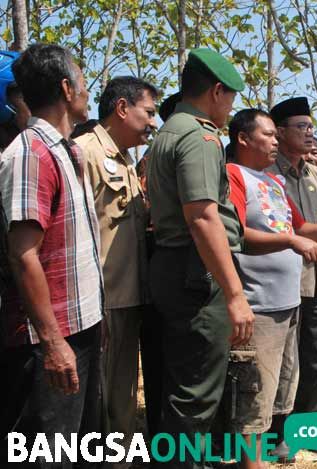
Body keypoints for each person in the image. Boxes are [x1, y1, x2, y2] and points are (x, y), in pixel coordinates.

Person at [225, 108, 317, 467]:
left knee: (281, 387)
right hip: (259, 303)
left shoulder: (273, 182)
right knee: (255, 392)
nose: (275, 141)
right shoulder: (234, 176)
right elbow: (235, 235)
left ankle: (269, 453)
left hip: (288, 302)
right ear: (243, 139)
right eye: (268, 134)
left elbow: (301, 227)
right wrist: (291, 242)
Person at [146, 48, 254, 467]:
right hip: (197, 273)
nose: (230, 108)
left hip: (177, 266)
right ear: (216, 91)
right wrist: (233, 293)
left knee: (182, 385)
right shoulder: (200, 138)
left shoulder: (169, 131)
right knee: (195, 397)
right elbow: (204, 217)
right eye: (230, 98)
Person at [0, 43, 102, 464]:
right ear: (65, 87)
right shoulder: (30, 155)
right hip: (50, 340)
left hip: (81, 327)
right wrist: (54, 344)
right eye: (81, 79)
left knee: (76, 446)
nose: (86, 89)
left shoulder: (69, 151)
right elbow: (24, 256)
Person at [72, 76, 157, 463]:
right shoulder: (84, 152)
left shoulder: (125, 159)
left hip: (130, 295)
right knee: (100, 400)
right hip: (102, 300)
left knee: (122, 395)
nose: (153, 123)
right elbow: (74, 234)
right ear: (122, 108)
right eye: (149, 112)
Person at [267, 98, 317, 423]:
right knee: (283, 359)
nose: (309, 133)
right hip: (280, 283)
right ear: (280, 132)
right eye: (301, 127)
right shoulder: (266, 175)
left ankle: (311, 424)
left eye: (311, 127)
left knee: (316, 357)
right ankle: (277, 429)